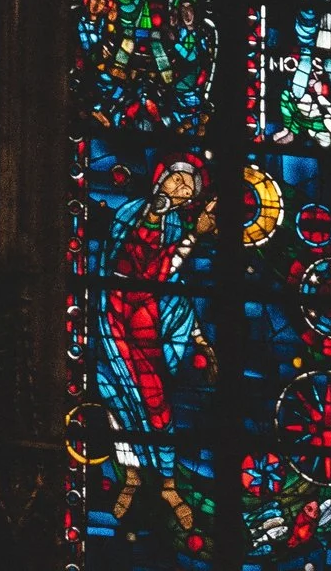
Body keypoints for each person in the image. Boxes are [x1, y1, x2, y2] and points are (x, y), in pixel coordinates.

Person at [96, 157, 216, 549]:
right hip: (114, 310)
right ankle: (129, 474)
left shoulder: (176, 226)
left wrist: (197, 339)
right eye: (178, 180)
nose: (181, 190)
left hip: (146, 317)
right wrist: (194, 237)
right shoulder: (129, 212)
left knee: (156, 400)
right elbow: (132, 264)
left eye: (189, 189)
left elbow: (170, 283)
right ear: (162, 178)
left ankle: (166, 483)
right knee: (114, 393)